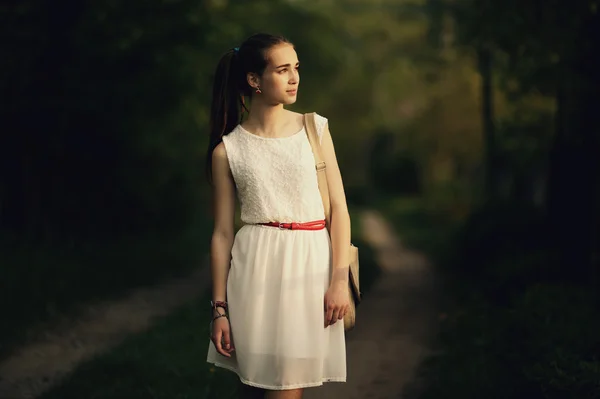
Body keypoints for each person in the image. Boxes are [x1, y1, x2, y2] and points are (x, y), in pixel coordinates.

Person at [206, 33, 351, 399]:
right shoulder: (228, 150)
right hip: (255, 270)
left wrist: (338, 280)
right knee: (256, 388)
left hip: (309, 270)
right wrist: (219, 310)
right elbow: (222, 234)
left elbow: (339, 210)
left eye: (296, 68)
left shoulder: (314, 128)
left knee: (288, 384)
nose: (294, 78)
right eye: (282, 69)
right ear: (254, 80)